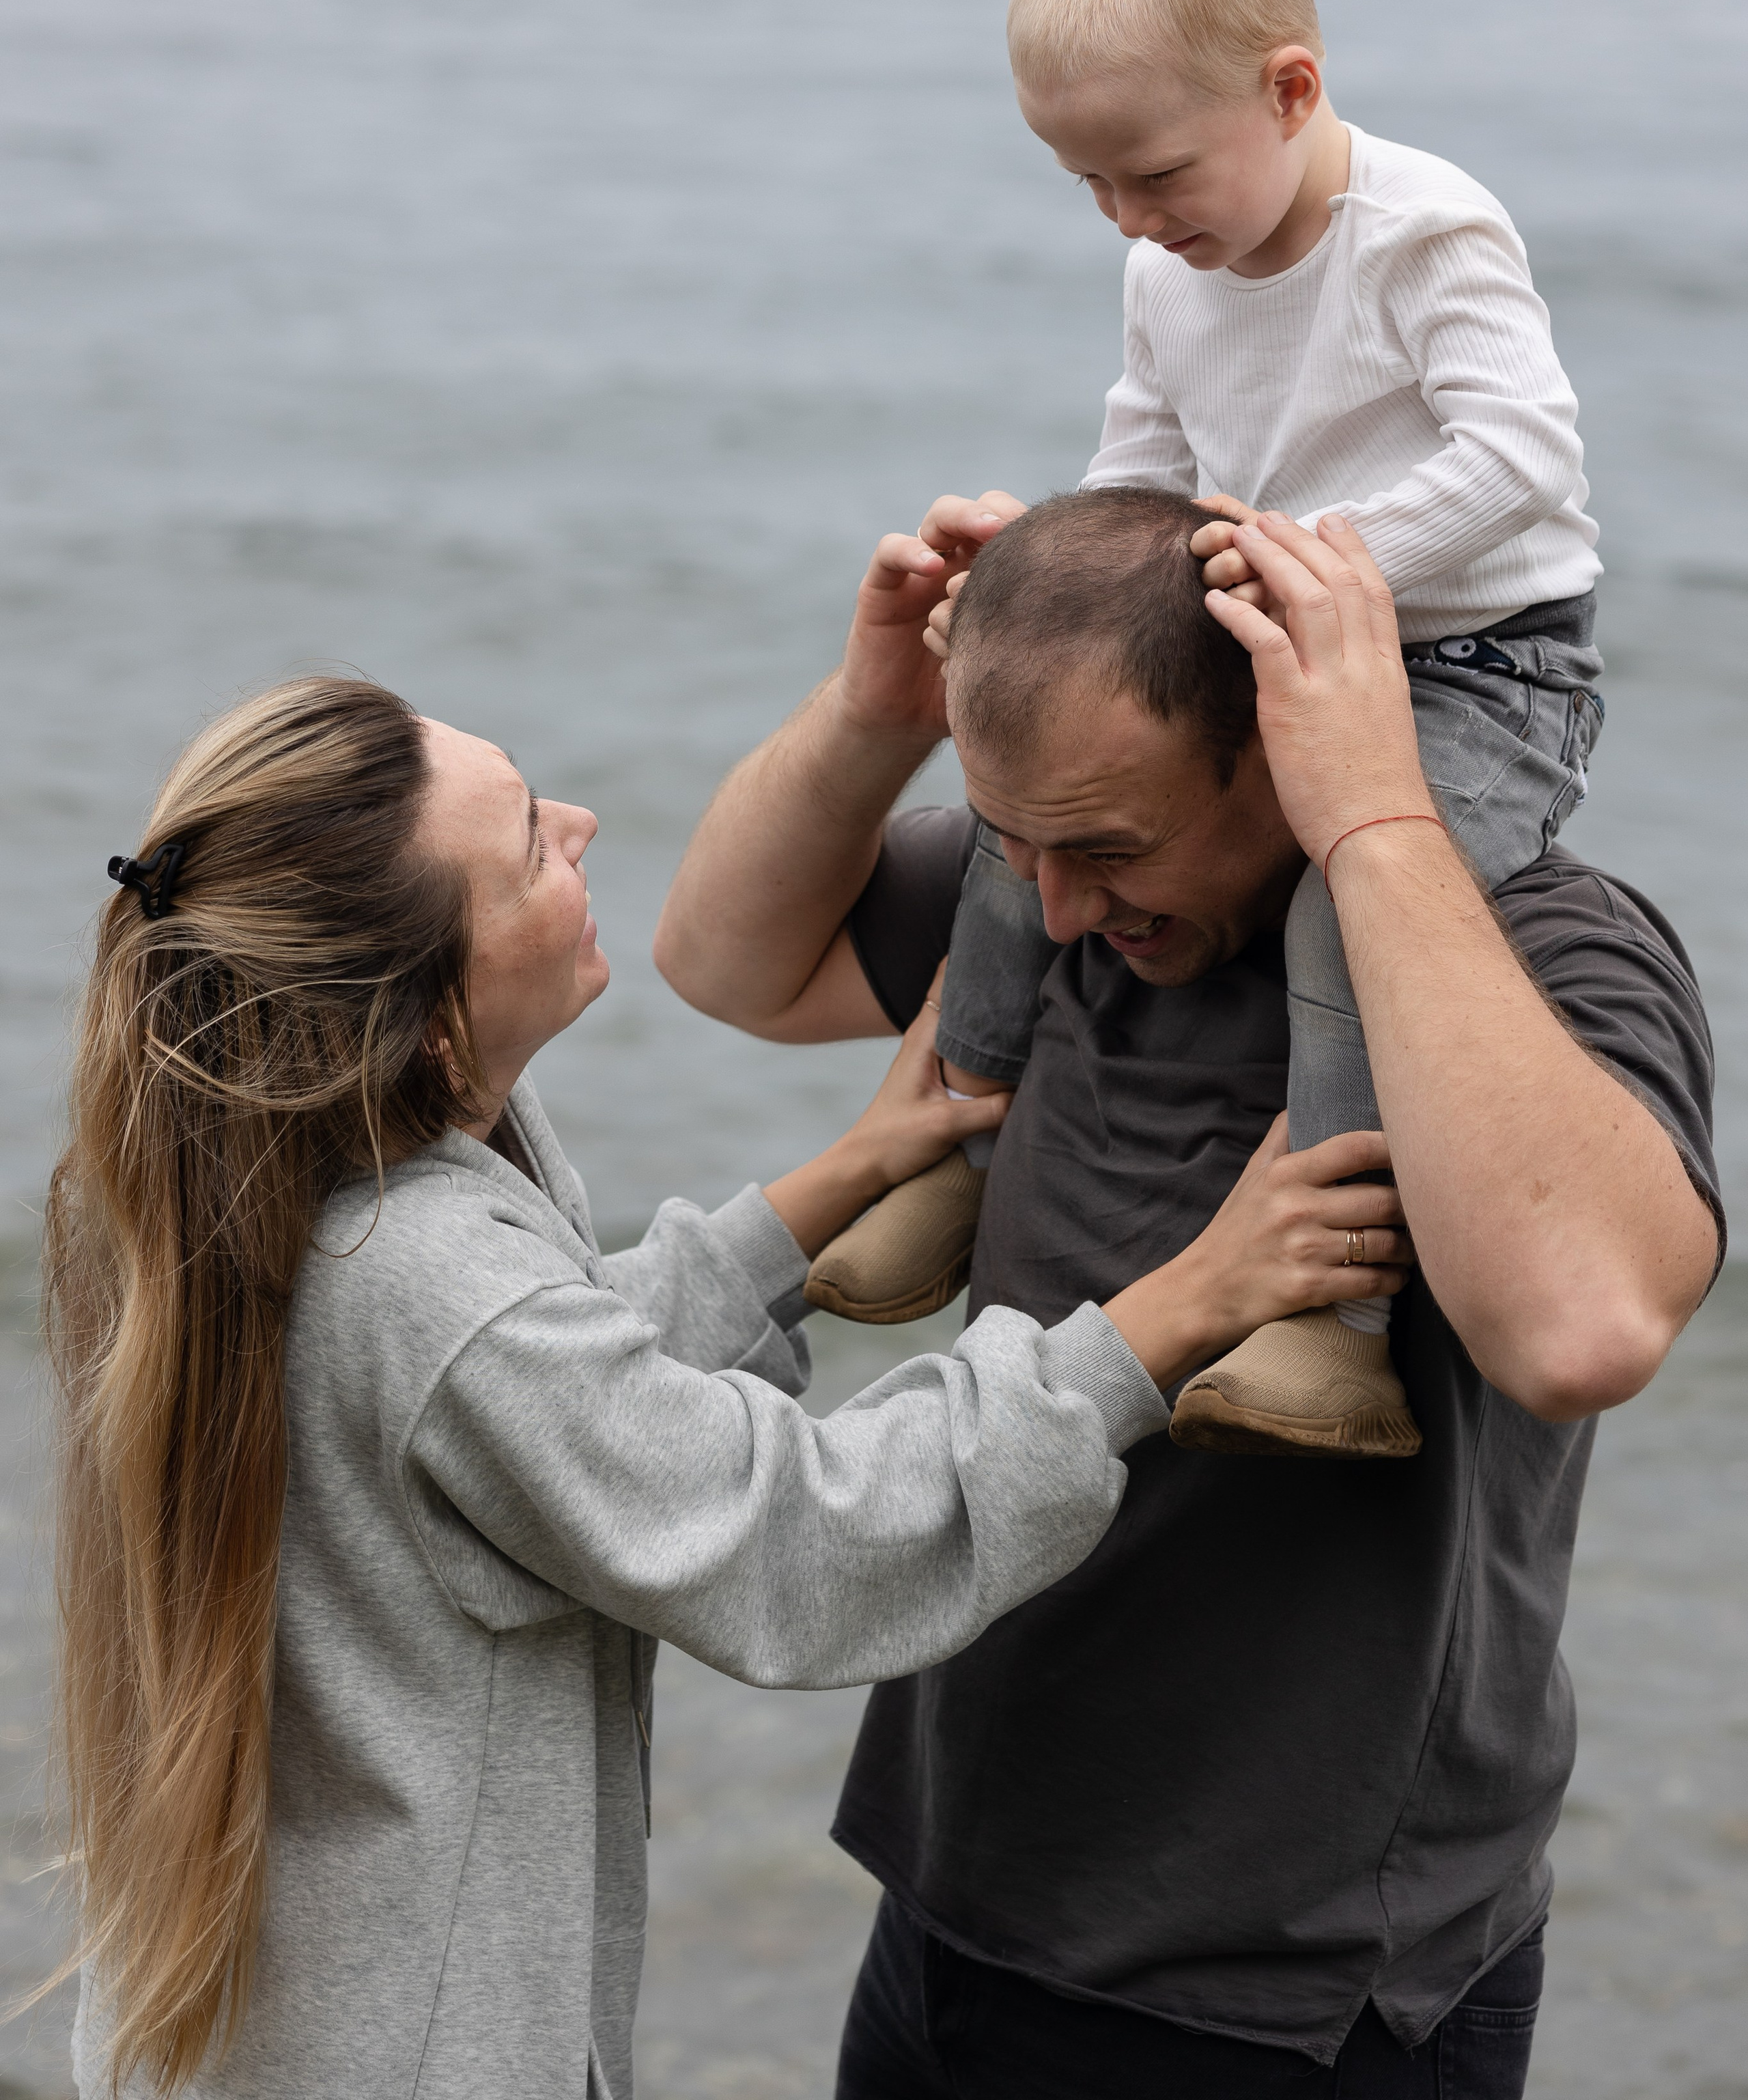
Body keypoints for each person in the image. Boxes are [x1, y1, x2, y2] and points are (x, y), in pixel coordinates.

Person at [39, 675, 1400, 2100]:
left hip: (252, 2033)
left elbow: (539, 1399)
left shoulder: (226, 1198)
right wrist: (1183, 1304)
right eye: (528, 847)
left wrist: (838, 1183)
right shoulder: (434, 1283)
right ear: (434, 1022)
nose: (581, 824)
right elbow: (802, 1537)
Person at [652, 492, 1721, 2099]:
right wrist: (875, 712)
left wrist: (1375, 817)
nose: (1060, 907)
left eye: (1106, 852)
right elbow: (723, 961)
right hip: (956, 1901)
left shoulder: (1537, 949)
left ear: (1285, 745)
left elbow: (1582, 1332)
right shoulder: (1055, 884)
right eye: (1017, 845)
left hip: (1289, 1989)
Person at [808, 0, 1605, 1464]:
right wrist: (1035, 587)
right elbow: (1142, 463)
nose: (1127, 218)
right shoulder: (1165, 266)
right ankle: (957, 1147)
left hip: (1476, 664)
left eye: (1154, 173)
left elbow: (1522, 457)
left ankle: (1335, 1323)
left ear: (1288, 90)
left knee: (1336, 913)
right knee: (1022, 825)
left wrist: (1328, 562)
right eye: (1085, 184)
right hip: (1264, 614)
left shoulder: (1424, 233)